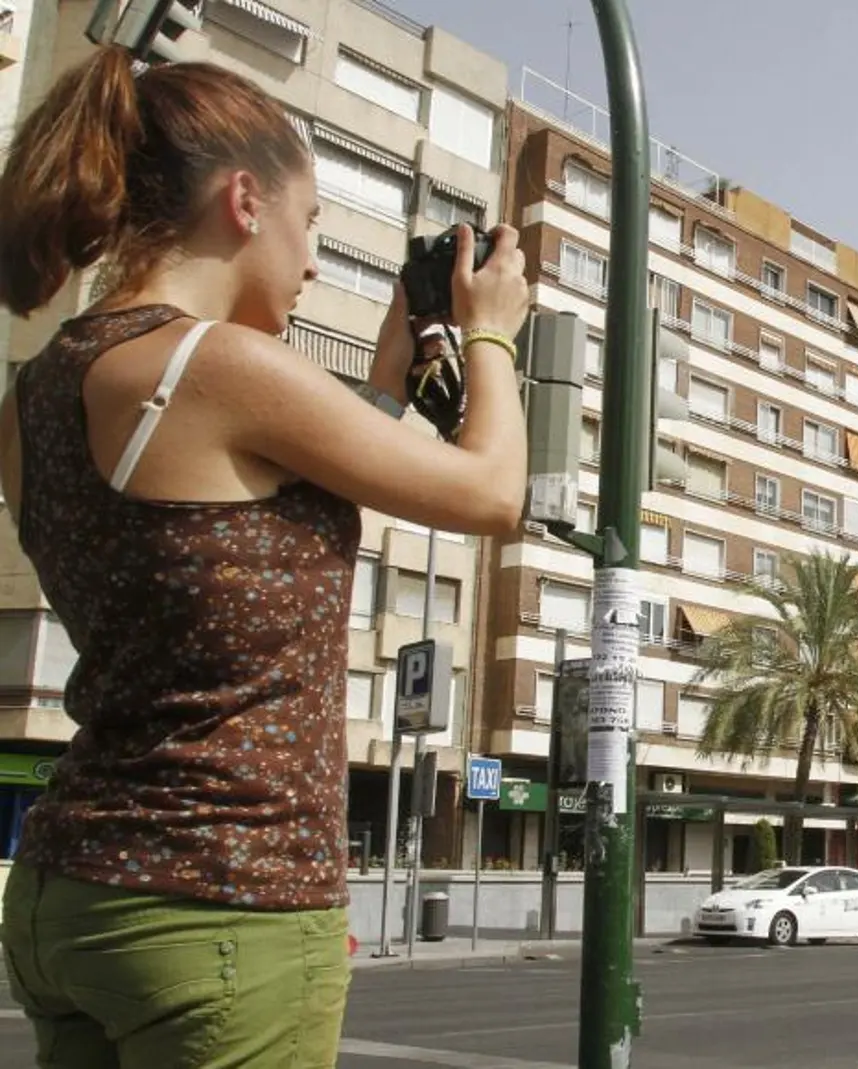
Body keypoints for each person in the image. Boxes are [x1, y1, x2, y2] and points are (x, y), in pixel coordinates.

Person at [0, 47, 529, 1068]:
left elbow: (230, 524)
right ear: (246, 201)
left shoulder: (34, 398)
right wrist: (492, 335)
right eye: (313, 224)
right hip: (220, 897)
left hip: (71, 888)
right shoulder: (219, 364)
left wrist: (385, 374)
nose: (315, 262)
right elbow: (490, 492)